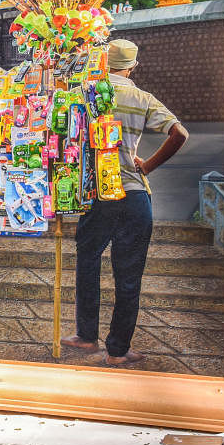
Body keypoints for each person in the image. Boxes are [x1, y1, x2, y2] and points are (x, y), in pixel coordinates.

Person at [61, 39, 189, 366]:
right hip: (134, 195)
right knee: (129, 275)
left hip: (99, 194)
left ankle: (86, 336)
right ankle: (118, 350)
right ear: (133, 66)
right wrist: (146, 165)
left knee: (88, 260)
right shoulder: (142, 98)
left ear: (103, 63)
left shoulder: (85, 94)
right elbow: (180, 134)